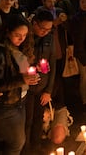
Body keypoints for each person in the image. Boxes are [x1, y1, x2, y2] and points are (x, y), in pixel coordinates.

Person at [0, 14, 37, 155]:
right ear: (7, 31)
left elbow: (20, 68)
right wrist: (22, 80)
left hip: (19, 100)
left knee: (17, 141)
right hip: (4, 105)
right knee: (16, 142)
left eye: (25, 35)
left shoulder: (19, 47)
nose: (22, 39)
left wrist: (31, 73)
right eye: (18, 35)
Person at [24, 10, 56, 153]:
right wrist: (32, 67)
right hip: (27, 87)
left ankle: (36, 147)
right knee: (27, 121)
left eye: (49, 29)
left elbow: (52, 65)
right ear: (34, 23)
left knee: (38, 119)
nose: (45, 32)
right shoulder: (25, 38)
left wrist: (48, 90)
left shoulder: (49, 38)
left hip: (42, 87)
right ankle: (26, 149)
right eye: (42, 28)